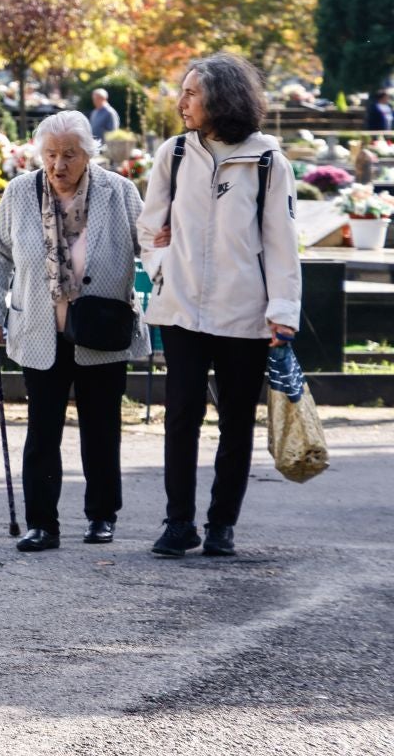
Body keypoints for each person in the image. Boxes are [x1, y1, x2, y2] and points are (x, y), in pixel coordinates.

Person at [140, 51, 299, 559]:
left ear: (220, 99)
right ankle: (178, 523)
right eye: (182, 92)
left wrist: (283, 311)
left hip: (243, 311)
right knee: (181, 415)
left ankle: (222, 524)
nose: (180, 102)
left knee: (235, 421)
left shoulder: (268, 160)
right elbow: (149, 225)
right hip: (183, 307)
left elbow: (281, 240)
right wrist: (161, 262)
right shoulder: (176, 154)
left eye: (191, 93)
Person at [0, 110, 147, 552]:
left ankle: (102, 516)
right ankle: (42, 524)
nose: (58, 165)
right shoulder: (19, 193)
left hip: (102, 330)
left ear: (88, 154)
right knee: (42, 431)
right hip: (40, 328)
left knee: (101, 429)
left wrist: (168, 301)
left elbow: (151, 248)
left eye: (69, 155)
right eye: (51, 155)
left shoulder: (120, 192)